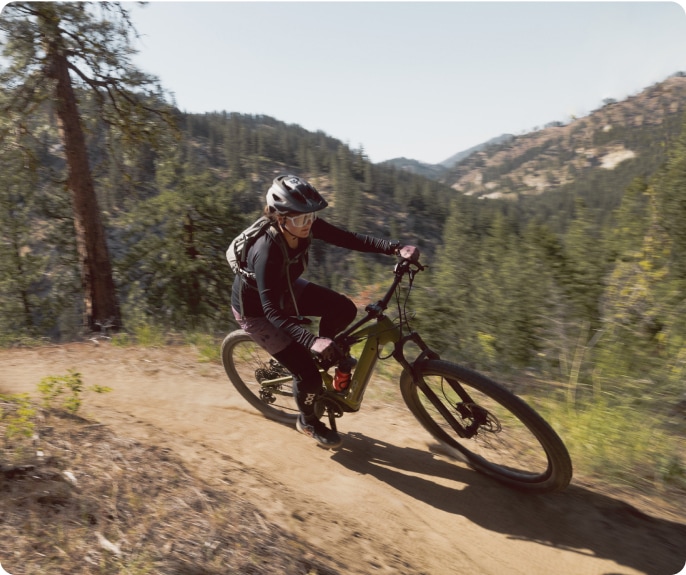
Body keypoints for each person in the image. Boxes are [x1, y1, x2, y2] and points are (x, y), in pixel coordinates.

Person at [231, 174, 417, 448]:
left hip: (285, 291)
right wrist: (310, 340)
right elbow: (270, 310)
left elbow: (348, 238)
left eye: (310, 217)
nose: (307, 225)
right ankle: (307, 421)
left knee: (342, 308)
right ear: (280, 218)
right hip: (257, 312)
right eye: (299, 219)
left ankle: (326, 353)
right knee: (307, 376)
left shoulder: (302, 225)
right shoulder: (266, 251)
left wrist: (395, 248)